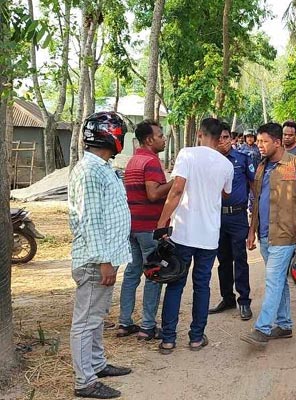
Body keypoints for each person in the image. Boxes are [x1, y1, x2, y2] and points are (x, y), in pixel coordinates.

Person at [156, 118, 234, 355]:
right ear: (220, 137)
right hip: (209, 235)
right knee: (202, 285)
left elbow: (177, 189)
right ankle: (197, 338)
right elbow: (226, 193)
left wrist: (161, 224)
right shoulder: (226, 164)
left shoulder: (187, 154)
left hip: (183, 233)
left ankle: (168, 339)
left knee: (175, 284)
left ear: (200, 134)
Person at [68, 111, 133, 399]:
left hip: (106, 256)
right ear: (110, 136)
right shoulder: (90, 171)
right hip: (96, 260)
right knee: (85, 321)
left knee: (96, 317)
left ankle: (97, 364)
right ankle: (85, 382)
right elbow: (91, 220)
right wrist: (104, 261)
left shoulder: (103, 167)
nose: (123, 141)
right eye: (121, 135)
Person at [242, 122, 296, 345]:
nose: (260, 145)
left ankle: (262, 328)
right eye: (259, 141)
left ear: (277, 142)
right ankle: (284, 325)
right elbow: (256, 201)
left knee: (273, 280)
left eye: (264, 142)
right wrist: (252, 230)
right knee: (280, 281)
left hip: (286, 234)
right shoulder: (262, 166)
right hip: (265, 233)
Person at [118, 120, 172, 341]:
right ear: (149, 140)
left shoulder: (133, 161)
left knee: (132, 273)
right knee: (153, 274)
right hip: (149, 227)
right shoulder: (150, 161)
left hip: (132, 226)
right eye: (160, 135)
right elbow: (153, 194)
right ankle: (148, 326)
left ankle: (124, 322)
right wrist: (177, 182)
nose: (164, 139)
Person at [208, 123, 257, 320]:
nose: (223, 142)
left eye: (226, 137)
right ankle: (227, 298)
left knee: (240, 259)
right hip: (217, 216)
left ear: (232, 139)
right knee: (223, 259)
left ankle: (243, 301)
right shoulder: (209, 161)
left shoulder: (242, 159)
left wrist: (255, 219)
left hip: (237, 216)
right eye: (219, 138)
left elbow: (255, 187)